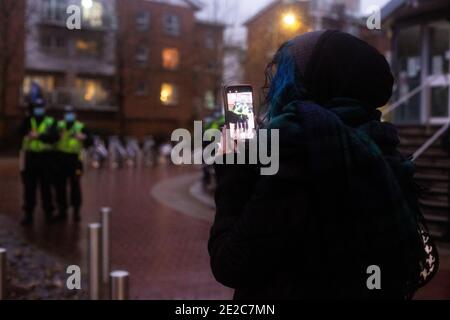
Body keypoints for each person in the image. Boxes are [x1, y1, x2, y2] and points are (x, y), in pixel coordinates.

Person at [208, 31, 434, 299]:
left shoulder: (300, 151)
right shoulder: (382, 148)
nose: (274, 87)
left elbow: (231, 264)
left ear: (312, 84)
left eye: (284, 76)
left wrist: (233, 169)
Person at [19, 99, 59, 226]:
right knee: (29, 188)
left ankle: (49, 213)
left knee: (46, 187)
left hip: (46, 159)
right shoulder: (28, 121)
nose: (38, 110)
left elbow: (55, 138)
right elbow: (18, 132)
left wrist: (39, 136)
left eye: (40, 107)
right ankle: (28, 214)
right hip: (31, 158)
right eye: (36, 107)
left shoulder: (51, 122)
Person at [54, 106, 92, 222]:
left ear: (75, 115)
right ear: (63, 115)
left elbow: (90, 141)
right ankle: (62, 211)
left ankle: (76, 211)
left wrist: (83, 137)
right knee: (60, 186)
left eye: (71, 113)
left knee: (75, 185)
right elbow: (50, 137)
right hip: (60, 159)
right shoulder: (59, 125)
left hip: (75, 160)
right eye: (67, 113)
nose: (69, 115)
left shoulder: (80, 126)